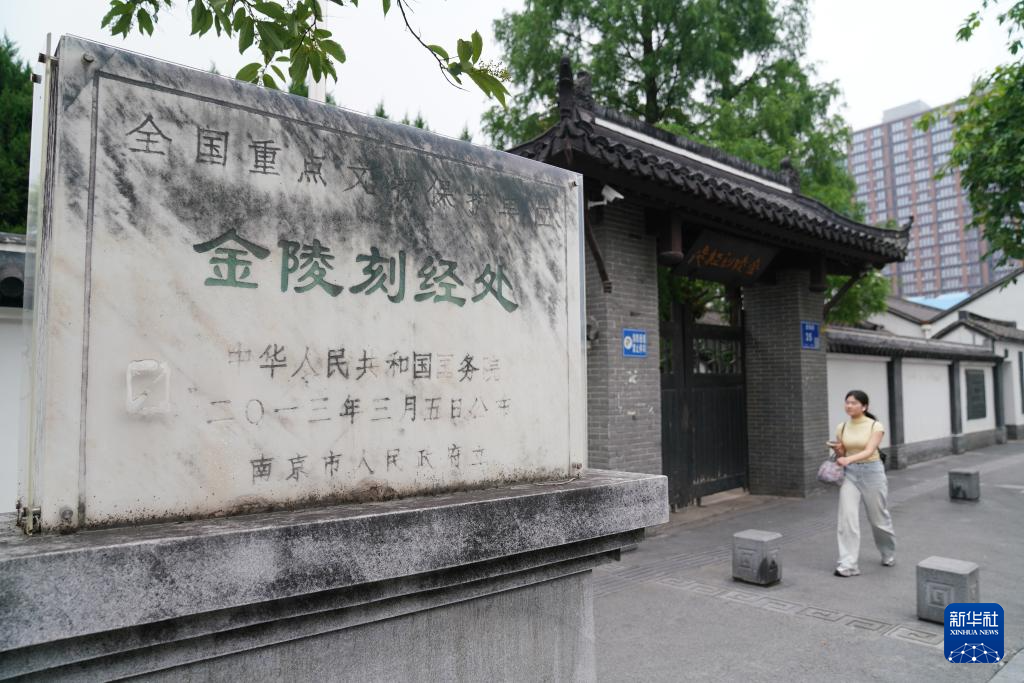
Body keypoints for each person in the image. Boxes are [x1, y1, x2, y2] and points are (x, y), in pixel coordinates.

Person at [828, 389, 896, 577]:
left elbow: (869, 450)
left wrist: (848, 459)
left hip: (872, 473)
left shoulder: (875, 426)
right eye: (847, 402)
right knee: (847, 519)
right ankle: (848, 564)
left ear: (864, 406)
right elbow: (842, 454)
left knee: (878, 519)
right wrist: (839, 451)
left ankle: (888, 552)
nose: (849, 405)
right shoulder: (841, 427)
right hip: (850, 474)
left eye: (854, 403)